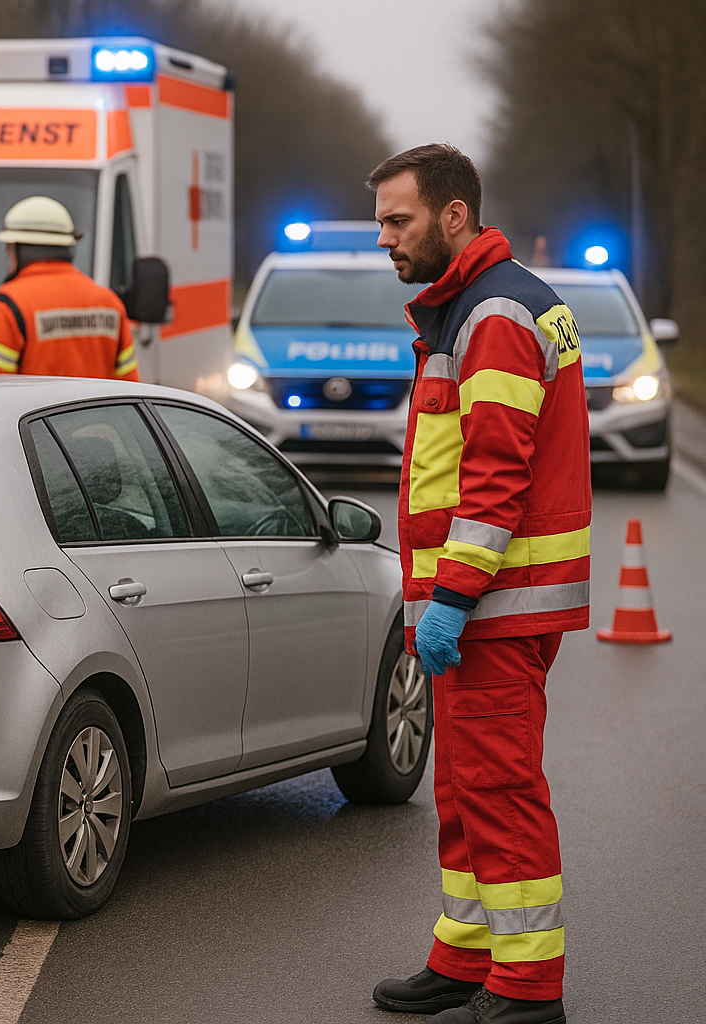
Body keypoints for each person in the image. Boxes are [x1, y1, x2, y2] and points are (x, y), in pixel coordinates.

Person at [368, 144, 590, 1024]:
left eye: (399, 220)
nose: (385, 238)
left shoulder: (491, 315)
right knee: (462, 788)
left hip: (494, 606)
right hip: (486, 604)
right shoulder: (479, 306)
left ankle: (530, 989)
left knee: (498, 789)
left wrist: (453, 598)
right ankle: (465, 955)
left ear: (453, 216)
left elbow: (492, 479)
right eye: (381, 220)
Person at [0, 195, 138, 381]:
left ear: (20, 249)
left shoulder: (9, 305)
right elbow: (129, 387)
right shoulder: (109, 303)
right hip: (97, 412)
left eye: (9, 249)